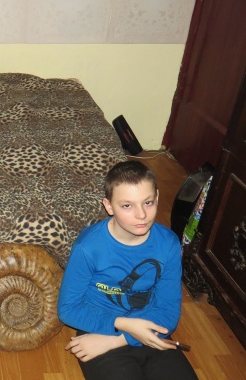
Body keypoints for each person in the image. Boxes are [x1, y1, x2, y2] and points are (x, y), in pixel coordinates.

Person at [57, 160, 198, 380]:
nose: (141, 215)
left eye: (148, 202)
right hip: (100, 325)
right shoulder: (88, 247)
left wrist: (120, 339)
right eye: (127, 206)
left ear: (157, 197)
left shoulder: (168, 243)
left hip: (148, 327)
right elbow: (68, 309)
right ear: (109, 206)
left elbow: (168, 311)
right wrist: (123, 325)